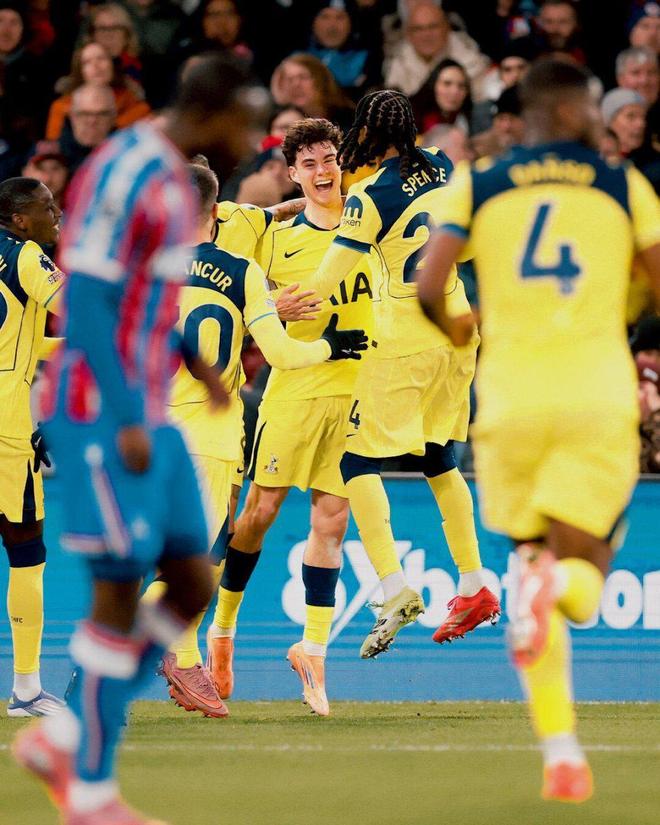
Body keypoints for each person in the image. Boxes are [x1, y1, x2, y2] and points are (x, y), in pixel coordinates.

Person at [11, 53, 267, 825]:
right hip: (100, 406)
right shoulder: (128, 172)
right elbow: (88, 301)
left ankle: (66, 736)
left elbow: (147, 296)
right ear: (215, 111)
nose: (250, 140)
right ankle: (88, 782)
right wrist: (124, 417)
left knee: (190, 581)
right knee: (123, 588)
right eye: (248, 123)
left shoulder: (169, 186)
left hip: (147, 404)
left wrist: (198, 363)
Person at [417, 58, 660, 803]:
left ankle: (561, 754)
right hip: (595, 396)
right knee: (584, 574)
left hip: (509, 403)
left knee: (532, 564)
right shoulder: (622, 184)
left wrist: (460, 329)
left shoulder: (478, 183)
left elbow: (428, 285)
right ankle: (559, 586)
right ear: (571, 111)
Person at [145, 160, 367, 717]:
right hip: (210, 433)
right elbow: (282, 354)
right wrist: (332, 346)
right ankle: (119, 656)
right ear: (216, 209)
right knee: (200, 560)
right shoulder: (240, 269)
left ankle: (185, 659)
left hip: (151, 429)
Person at [305, 89, 500, 658]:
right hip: (455, 331)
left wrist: (274, 305)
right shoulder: (442, 165)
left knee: (356, 462)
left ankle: (393, 588)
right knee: (439, 457)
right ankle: (473, 584)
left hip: (404, 340)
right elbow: (466, 251)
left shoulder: (370, 198)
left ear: (365, 133)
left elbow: (326, 281)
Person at [207, 117, 376, 716]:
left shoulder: (370, 223)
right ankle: (222, 628)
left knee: (332, 522)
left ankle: (313, 651)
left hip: (357, 391)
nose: (324, 170)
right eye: (310, 164)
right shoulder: (273, 239)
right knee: (259, 513)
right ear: (292, 173)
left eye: (330, 159)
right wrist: (269, 305)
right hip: (295, 388)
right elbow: (222, 291)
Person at [0, 178, 65, 718]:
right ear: (19, 220)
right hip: (6, 422)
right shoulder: (26, 257)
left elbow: (21, 338)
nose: (56, 212)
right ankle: (25, 690)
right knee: (25, 550)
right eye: (46, 206)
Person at [384, 2, 490, 100]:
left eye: (433, 27)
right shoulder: (398, 61)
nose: (426, 35)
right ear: (408, 34)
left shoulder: (471, 62)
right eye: (418, 29)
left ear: (447, 28)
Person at [45, 42, 150, 141]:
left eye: (101, 58)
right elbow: (54, 148)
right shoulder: (61, 108)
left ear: (113, 65)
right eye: (87, 62)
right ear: (80, 71)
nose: (96, 65)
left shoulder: (137, 107)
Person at [270, 52, 355, 132]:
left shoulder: (350, 118)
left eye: (303, 77)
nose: (296, 84)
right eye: (290, 79)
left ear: (321, 79)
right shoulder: (283, 122)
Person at [60, 83, 117, 174]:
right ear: (71, 116)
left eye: (102, 114)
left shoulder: (129, 156)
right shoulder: (49, 155)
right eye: (84, 113)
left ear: (113, 118)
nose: (92, 121)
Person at [410, 58, 472, 136]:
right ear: (433, 86)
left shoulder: (465, 121)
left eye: (461, 86)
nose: (454, 92)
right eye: (447, 84)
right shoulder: (407, 116)